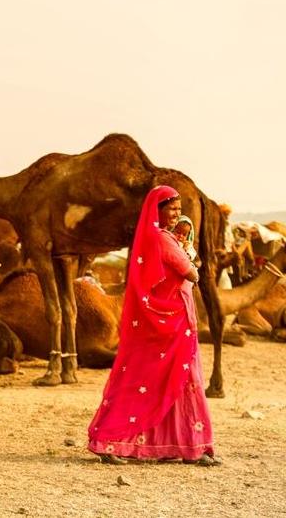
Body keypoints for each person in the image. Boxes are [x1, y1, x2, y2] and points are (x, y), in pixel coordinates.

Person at [88, 185, 220, 466]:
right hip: (173, 321)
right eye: (171, 208)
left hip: (172, 319)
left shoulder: (158, 238)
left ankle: (182, 446)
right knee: (181, 380)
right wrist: (190, 258)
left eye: (179, 209)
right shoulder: (162, 239)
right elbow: (191, 274)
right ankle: (112, 440)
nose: (176, 214)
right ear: (156, 211)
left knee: (170, 382)